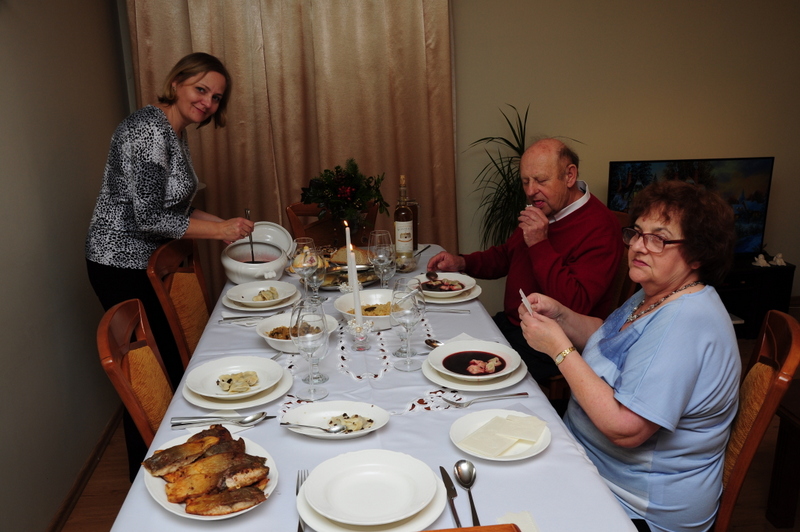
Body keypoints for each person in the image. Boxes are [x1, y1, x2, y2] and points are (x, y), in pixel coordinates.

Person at [518, 180, 740, 532]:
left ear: (698, 254)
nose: (638, 245)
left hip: (636, 505)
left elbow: (625, 428)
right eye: (636, 233)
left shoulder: (686, 320)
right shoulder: (656, 291)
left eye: (658, 239)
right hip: (590, 462)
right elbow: (611, 337)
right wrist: (562, 316)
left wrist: (559, 349)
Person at [85, 52, 253, 480]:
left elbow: (173, 206)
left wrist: (224, 225)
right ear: (177, 83)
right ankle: (146, 477)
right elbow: (148, 218)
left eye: (216, 97)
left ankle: (184, 464)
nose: (207, 103)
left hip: (146, 260)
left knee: (171, 370)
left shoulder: (173, 130)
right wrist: (218, 231)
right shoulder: (147, 130)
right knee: (149, 380)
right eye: (201, 89)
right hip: (119, 262)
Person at [427, 138, 623, 382]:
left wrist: (539, 243)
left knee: (457, 375)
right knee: (437, 344)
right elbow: (507, 256)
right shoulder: (545, 208)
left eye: (541, 180)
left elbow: (576, 305)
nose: (530, 191)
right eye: (525, 181)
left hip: (550, 345)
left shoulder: (601, 226)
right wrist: (461, 263)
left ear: (569, 176)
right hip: (512, 325)